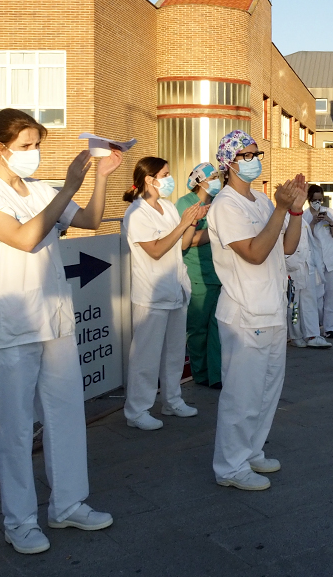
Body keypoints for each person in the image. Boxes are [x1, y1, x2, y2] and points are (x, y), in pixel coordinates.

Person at [0, 108, 121, 554]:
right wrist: (69, 184)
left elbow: (88, 220)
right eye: (27, 146)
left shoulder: (38, 189)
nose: (34, 154)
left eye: (37, 146)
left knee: (67, 416)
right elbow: (26, 238)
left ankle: (68, 505)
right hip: (10, 326)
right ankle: (20, 520)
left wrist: (101, 176)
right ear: (0, 147)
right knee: (13, 430)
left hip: (54, 320)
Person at [207, 130, 307, 491]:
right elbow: (253, 252)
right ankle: (229, 466)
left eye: (256, 153)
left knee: (267, 390)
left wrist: (295, 208)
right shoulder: (226, 205)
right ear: (230, 162)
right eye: (246, 155)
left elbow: (288, 247)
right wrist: (281, 208)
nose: (254, 160)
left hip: (272, 309)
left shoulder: (263, 200)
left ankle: (251, 451)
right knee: (242, 394)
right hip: (245, 312)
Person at [122, 158, 206, 430]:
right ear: (149, 178)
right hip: (152, 294)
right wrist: (183, 223)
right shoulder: (136, 213)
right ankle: (137, 410)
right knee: (146, 356)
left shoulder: (167, 207)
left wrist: (192, 221)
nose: (169, 179)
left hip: (176, 288)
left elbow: (181, 245)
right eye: (165, 174)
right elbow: (156, 250)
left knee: (173, 352)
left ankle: (172, 400)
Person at [176, 162, 223, 387]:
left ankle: (217, 376)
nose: (217, 180)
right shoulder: (185, 204)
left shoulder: (219, 202)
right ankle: (201, 374)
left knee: (217, 327)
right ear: (199, 180)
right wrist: (214, 232)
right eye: (213, 176)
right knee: (198, 329)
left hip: (220, 272)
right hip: (197, 272)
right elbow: (186, 241)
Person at [287, 197, 331, 348]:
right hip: (294, 268)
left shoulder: (300, 218)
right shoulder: (284, 218)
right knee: (294, 305)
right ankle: (296, 335)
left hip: (307, 266)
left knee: (310, 302)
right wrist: (291, 266)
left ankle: (312, 335)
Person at [305, 185, 333, 340]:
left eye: (320, 199)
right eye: (314, 200)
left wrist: (330, 221)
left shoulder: (330, 212)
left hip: (332, 259)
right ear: (309, 200)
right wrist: (313, 223)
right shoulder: (305, 216)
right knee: (317, 296)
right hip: (315, 261)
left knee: (331, 294)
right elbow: (307, 237)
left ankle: (330, 328)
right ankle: (316, 325)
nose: (318, 202)